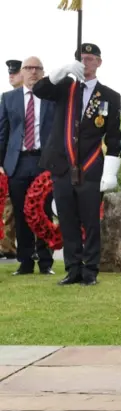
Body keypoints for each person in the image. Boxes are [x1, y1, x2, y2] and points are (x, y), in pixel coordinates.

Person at [33, 43, 121, 286]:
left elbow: (114, 137)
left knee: (91, 221)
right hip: (62, 164)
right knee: (67, 218)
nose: (87, 63)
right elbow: (39, 88)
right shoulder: (64, 88)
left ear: (100, 62)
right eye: (82, 59)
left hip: (90, 166)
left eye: (91, 59)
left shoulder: (110, 97)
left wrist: (110, 172)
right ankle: (72, 268)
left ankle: (90, 269)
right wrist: (63, 70)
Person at [0, 56, 55, 274]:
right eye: (28, 68)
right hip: (18, 162)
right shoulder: (8, 98)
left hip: (44, 162)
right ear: (21, 73)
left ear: (43, 73)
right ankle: (25, 261)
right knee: (21, 213)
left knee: (43, 211)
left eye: (37, 68)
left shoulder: (51, 98)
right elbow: (2, 133)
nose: (33, 72)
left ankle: (45, 262)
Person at [0, 59, 23, 260]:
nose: (11, 75)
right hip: (10, 161)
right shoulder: (7, 98)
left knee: (30, 207)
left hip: (30, 160)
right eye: (10, 73)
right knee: (8, 206)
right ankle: (7, 246)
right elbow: (3, 133)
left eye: (14, 73)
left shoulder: (33, 97)